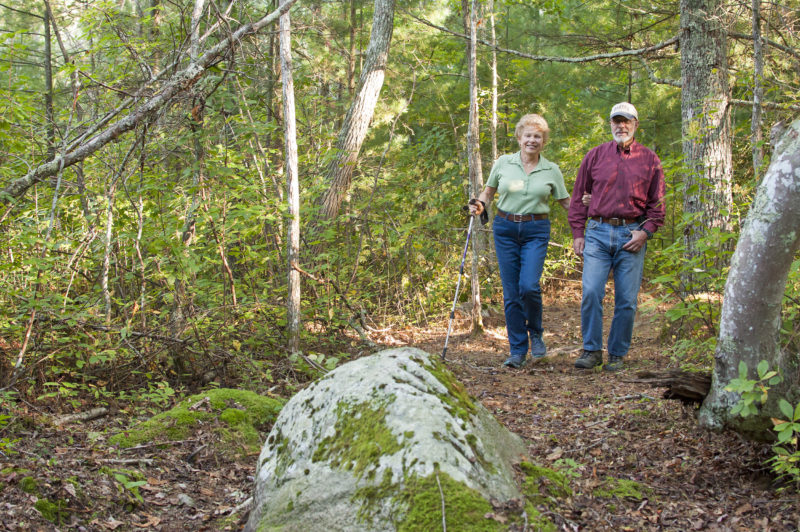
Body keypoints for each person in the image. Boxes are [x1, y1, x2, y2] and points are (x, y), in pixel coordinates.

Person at [568, 102, 665, 372]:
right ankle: (591, 351)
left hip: (631, 234)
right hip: (597, 233)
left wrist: (645, 232)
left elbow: (657, 206)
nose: (621, 126)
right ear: (610, 124)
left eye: (626, 121)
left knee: (626, 299)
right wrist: (578, 232)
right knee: (590, 292)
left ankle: (617, 354)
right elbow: (579, 198)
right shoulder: (595, 156)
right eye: (616, 121)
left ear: (635, 124)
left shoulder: (649, 159)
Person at [469, 113, 570, 368]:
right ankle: (517, 350)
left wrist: (592, 216)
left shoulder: (551, 170)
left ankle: (535, 333)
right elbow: (488, 192)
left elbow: (566, 203)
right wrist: (480, 204)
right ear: (519, 137)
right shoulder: (504, 163)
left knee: (529, 286)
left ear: (543, 141)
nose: (532, 140)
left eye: (537, 136)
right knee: (512, 292)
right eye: (528, 135)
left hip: (536, 229)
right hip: (505, 228)